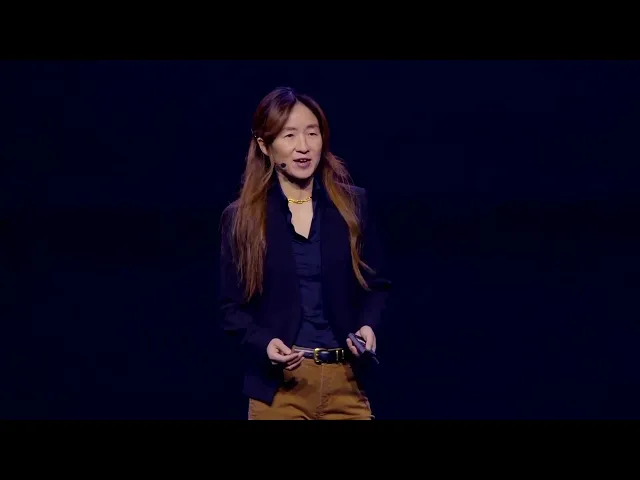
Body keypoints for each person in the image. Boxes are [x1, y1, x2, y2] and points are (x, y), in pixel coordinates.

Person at [218, 86, 391, 420]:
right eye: (289, 135)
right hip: (280, 390)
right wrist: (263, 343)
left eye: (312, 133)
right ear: (264, 145)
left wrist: (369, 326)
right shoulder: (242, 218)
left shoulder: (352, 205)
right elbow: (230, 308)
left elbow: (378, 285)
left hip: (346, 383)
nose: (303, 146)